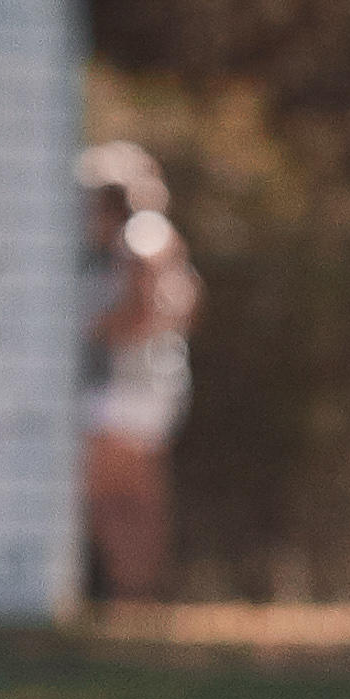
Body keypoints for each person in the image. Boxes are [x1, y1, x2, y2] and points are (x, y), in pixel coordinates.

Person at [76, 138, 202, 604]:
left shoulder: (139, 239)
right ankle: (138, 593)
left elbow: (142, 311)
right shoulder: (155, 237)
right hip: (146, 389)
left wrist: (86, 331)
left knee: (112, 498)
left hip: (124, 392)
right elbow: (185, 305)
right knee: (136, 497)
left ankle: (130, 594)